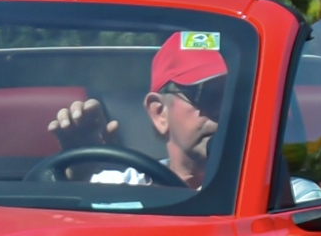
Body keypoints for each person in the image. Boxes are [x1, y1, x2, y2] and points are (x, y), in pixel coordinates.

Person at [45, 31, 227, 189]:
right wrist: (79, 172)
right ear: (159, 112)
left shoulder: (253, 197)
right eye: (208, 95)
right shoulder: (121, 188)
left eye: (237, 98)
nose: (223, 110)